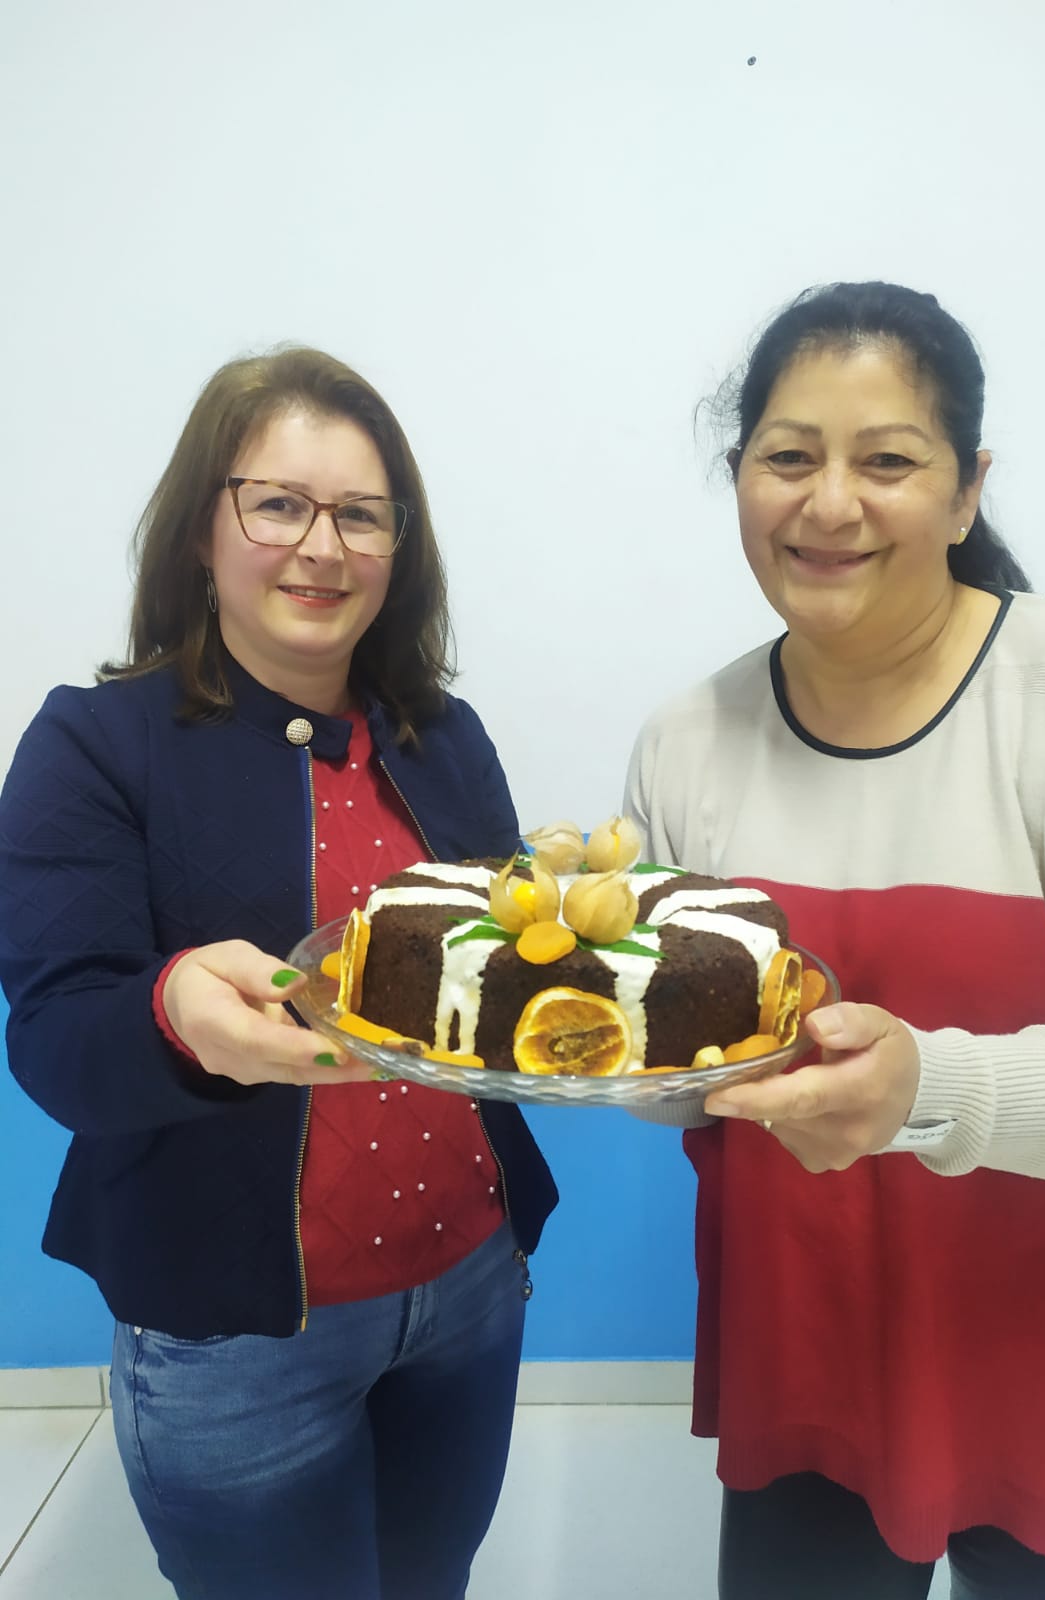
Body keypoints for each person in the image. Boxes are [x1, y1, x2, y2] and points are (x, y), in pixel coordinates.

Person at [624, 282, 1045, 1598]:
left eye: (887, 461)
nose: (830, 503)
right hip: (808, 1365)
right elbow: (678, 1082)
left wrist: (930, 1088)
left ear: (966, 491)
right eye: (789, 457)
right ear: (740, 477)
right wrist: (581, 1017)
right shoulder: (687, 742)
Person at [0, 347, 557, 1600]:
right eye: (279, 504)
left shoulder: (443, 735)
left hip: (469, 1284)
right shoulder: (95, 744)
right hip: (236, 1334)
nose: (322, 546)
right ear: (202, 528)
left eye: (361, 514)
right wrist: (174, 1011)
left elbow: (503, 971)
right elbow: (58, 1036)